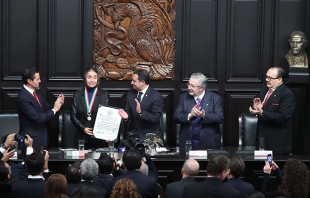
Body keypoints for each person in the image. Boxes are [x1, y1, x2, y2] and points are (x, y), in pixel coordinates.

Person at [249, 67, 295, 154]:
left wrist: (262, 113)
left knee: (273, 166)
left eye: (270, 78)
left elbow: (283, 117)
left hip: (276, 141)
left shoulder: (287, 94)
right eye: (266, 77)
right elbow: (260, 107)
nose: (267, 80)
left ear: (280, 79)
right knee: (260, 165)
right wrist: (257, 109)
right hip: (261, 137)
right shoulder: (264, 89)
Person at [16, 67, 64, 149]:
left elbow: (45, 108)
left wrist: (57, 103)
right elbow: (38, 118)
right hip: (30, 141)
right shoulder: (22, 98)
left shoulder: (36, 92)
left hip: (42, 137)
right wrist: (54, 109)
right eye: (37, 79)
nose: (40, 81)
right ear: (29, 81)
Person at [173, 72, 224, 148]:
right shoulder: (183, 97)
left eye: (192, 86)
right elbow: (176, 117)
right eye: (188, 84)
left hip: (209, 143)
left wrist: (203, 115)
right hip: (187, 143)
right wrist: (190, 115)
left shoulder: (215, 98)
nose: (189, 88)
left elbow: (219, 118)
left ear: (201, 88)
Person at [118, 70, 164, 140]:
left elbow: (155, 118)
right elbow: (128, 113)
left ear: (142, 82)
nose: (131, 83)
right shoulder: (130, 93)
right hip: (132, 136)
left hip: (149, 137)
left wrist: (140, 112)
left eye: (134, 81)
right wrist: (126, 117)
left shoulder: (156, 96)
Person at [71, 67, 109, 149]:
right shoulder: (77, 95)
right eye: (89, 77)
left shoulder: (104, 94)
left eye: (95, 77)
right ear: (85, 79)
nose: (92, 80)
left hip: (99, 137)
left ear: (98, 79)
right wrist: (83, 128)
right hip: (81, 136)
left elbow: (106, 117)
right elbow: (73, 115)